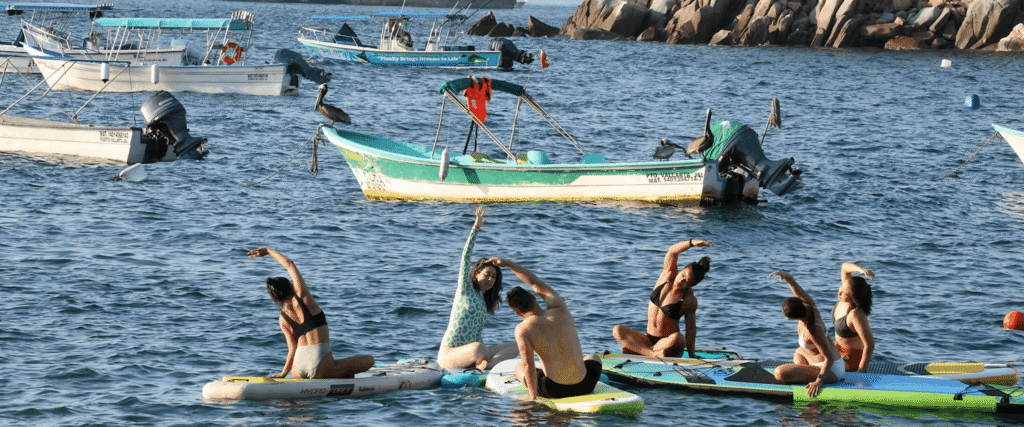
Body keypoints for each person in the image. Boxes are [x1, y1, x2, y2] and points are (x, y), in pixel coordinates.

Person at [249, 247, 374, 379]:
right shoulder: (303, 297)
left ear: (276, 298)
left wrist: (283, 373)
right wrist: (269, 251)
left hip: (297, 369)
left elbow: (292, 349)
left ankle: (338, 373)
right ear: (291, 286)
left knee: (335, 369)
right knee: (369, 360)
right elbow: (289, 265)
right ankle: (340, 373)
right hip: (320, 366)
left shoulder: (283, 319)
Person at [496, 257, 602, 400]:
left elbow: (528, 365)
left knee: (519, 368)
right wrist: (508, 263)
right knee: (592, 357)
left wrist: (532, 396)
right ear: (533, 297)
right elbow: (533, 281)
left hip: (554, 390)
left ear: (518, 313)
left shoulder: (523, 329)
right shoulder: (559, 307)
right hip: (585, 385)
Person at [437, 207, 517, 371]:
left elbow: (476, 334)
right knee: (478, 348)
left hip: (472, 353)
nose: (490, 279)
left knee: (516, 345)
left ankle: (487, 365)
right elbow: (465, 257)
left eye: (494, 277)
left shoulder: (482, 300)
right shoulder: (465, 290)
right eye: (487, 274)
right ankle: (483, 362)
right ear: (475, 274)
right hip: (450, 355)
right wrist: (476, 228)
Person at [612, 239, 713, 358]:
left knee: (678, 338)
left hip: (667, 343)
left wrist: (692, 355)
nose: (681, 280)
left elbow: (690, 330)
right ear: (682, 269)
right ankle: (650, 352)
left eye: (686, 281)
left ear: (691, 285)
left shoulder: (689, 300)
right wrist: (691, 243)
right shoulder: (667, 275)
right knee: (617, 330)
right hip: (648, 338)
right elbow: (672, 252)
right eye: (683, 275)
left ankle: (639, 349)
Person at [771, 271, 844, 397]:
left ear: (791, 318)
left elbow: (829, 358)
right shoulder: (810, 308)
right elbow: (799, 292)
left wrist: (818, 381)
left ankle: (811, 377)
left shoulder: (813, 330)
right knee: (799, 352)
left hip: (832, 370)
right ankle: (804, 374)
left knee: (779, 373)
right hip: (819, 362)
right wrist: (789, 279)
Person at [832, 262, 876, 373]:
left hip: (850, 359)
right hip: (837, 351)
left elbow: (869, 344)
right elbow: (844, 267)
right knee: (801, 353)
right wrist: (860, 269)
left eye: (844, 293)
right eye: (841, 287)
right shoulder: (844, 296)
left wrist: (860, 371)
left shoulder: (855, 314)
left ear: (853, 298)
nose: (839, 293)